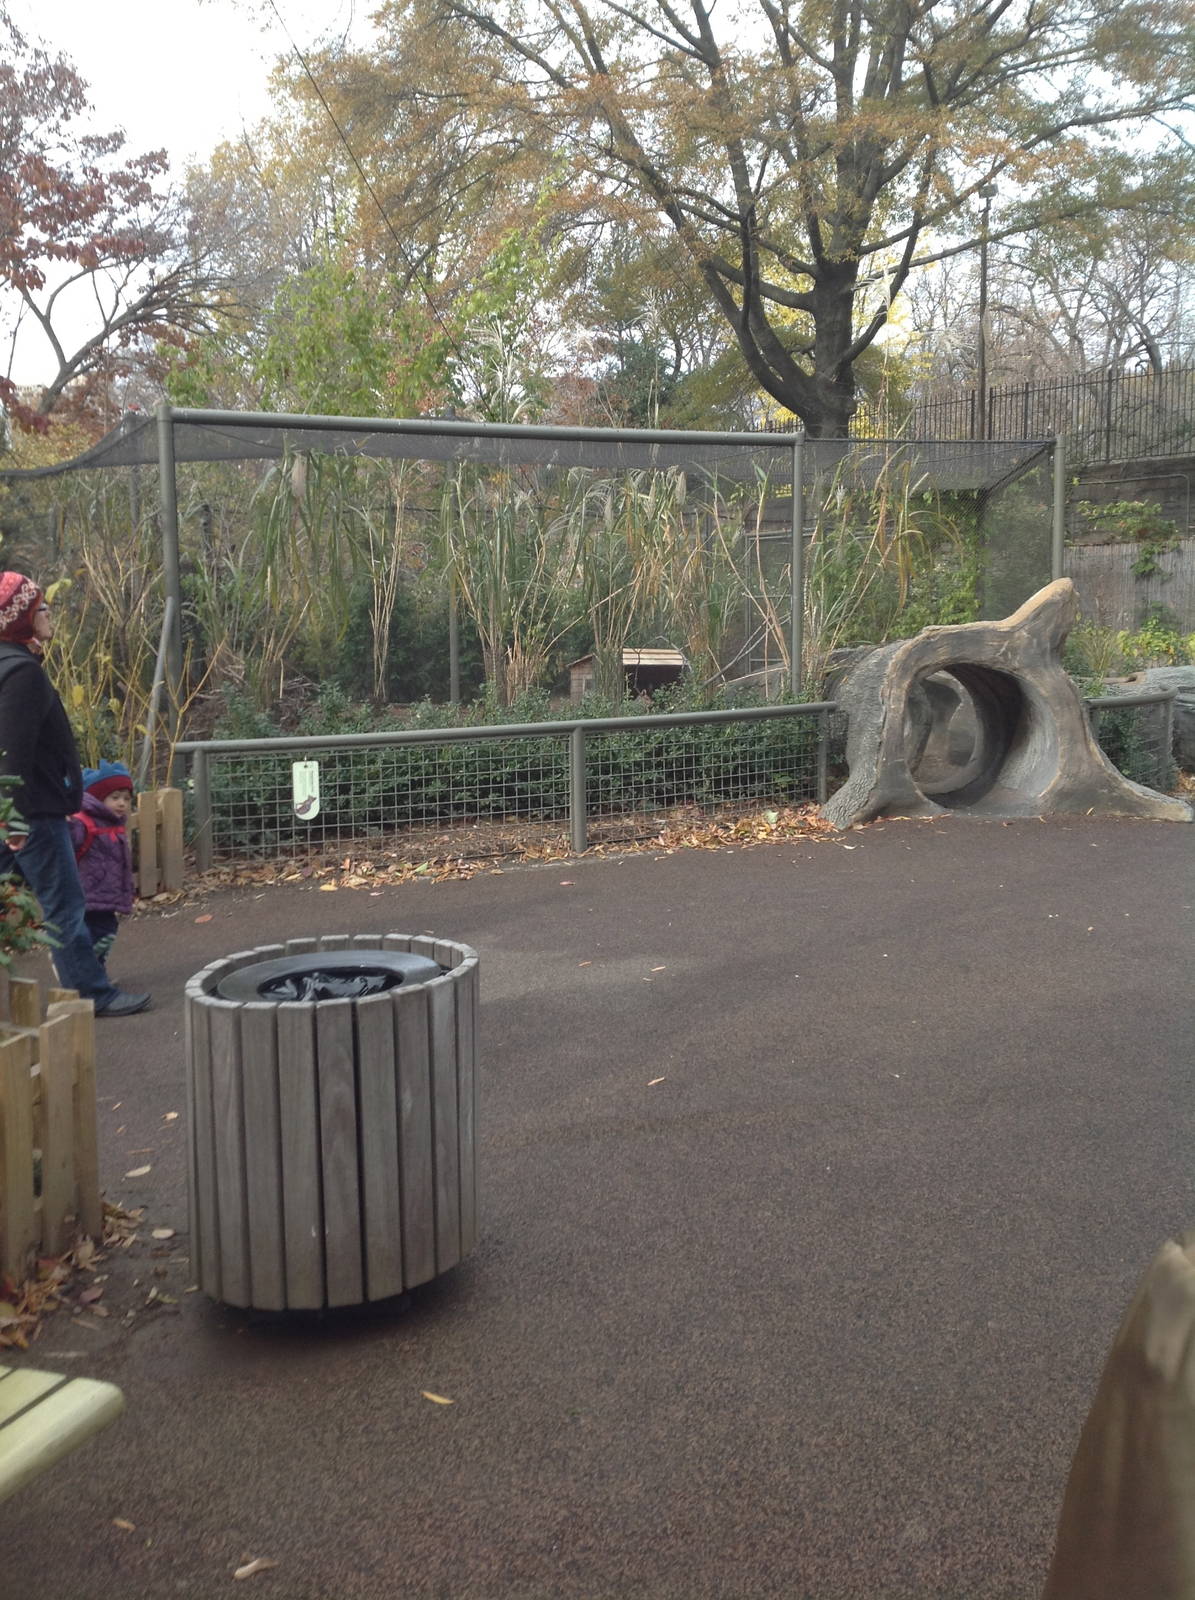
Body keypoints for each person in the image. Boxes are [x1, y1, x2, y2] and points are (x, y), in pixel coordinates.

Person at [0, 573, 150, 1016]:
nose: (49, 614)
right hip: (31, 812)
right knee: (65, 905)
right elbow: (13, 752)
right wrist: (15, 820)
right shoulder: (22, 672)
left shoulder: (8, 664)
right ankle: (91, 993)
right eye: (41, 608)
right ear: (22, 617)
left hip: (17, 809)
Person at [69, 760, 136, 974]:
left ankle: (93, 971)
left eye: (126, 798)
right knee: (102, 932)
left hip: (106, 893)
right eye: (115, 798)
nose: (122, 803)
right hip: (88, 892)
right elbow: (69, 843)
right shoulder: (83, 822)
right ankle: (83, 969)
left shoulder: (115, 824)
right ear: (99, 798)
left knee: (104, 933)